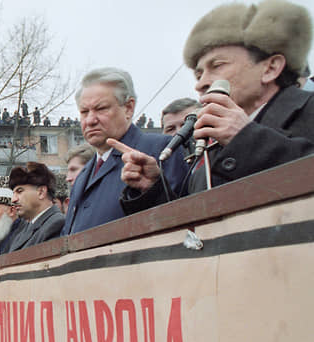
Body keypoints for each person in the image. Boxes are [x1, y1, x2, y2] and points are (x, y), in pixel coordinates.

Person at [119, 0, 314, 211]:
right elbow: (199, 224)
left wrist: (246, 139)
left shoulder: (307, 110)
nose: (200, 84)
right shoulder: (214, 143)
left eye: (217, 65)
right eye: (198, 73)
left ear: (270, 68)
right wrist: (154, 189)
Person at [61, 67, 188, 235]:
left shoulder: (160, 150)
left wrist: (152, 189)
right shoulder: (83, 175)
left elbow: (181, 223)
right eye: (84, 112)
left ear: (128, 108)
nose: (90, 120)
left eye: (101, 108)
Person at [7, 162, 66, 246]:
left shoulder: (56, 224)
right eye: (13, 193)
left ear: (41, 192)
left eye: (19, 191)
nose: (13, 199)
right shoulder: (24, 229)